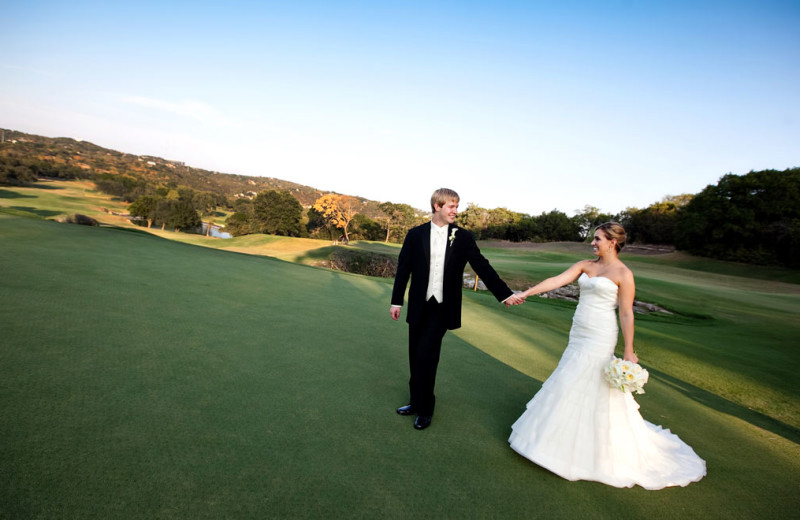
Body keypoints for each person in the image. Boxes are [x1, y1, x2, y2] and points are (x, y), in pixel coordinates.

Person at [508, 222, 706, 489]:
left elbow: (626, 313)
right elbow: (557, 280)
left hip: (601, 335)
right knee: (571, 378)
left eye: (598, 239)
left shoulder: (624, 274)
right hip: (579, 332)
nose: (593, 243)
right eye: (594, 238)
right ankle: (557, 440)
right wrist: (527, 292)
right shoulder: (586, 265)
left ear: (613, 242)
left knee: (582, 380)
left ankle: (589, 449)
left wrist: (628, 350)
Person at [390, 188, 524, 430]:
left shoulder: (462, 237)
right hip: (419, 304)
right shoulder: (415, 234)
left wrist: (504, 294)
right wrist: (396, 301)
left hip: (443, 307)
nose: (456, 210)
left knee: (426, 355)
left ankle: (426, 409)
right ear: (437, 207)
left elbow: (482, 266)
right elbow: (403, 269)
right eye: (451, 206)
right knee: (414, 354)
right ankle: (415, 401)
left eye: (457, 206)